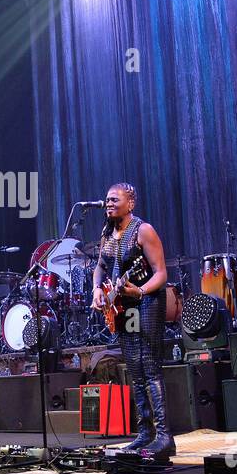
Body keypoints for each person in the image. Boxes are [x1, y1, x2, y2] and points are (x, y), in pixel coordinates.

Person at [90, 183, 173, 459]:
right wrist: (97, 291)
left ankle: (164, 436)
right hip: (124, 307)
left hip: (147, 302)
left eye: (114, 199)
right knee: (135, 370)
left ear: (131, 203)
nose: (109, 203)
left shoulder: (143, 230)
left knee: (149, 366)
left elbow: (161, 273)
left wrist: (140, 290)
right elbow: (100, 268)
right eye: (106, 200)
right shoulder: (108, 234)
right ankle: (145, 433)